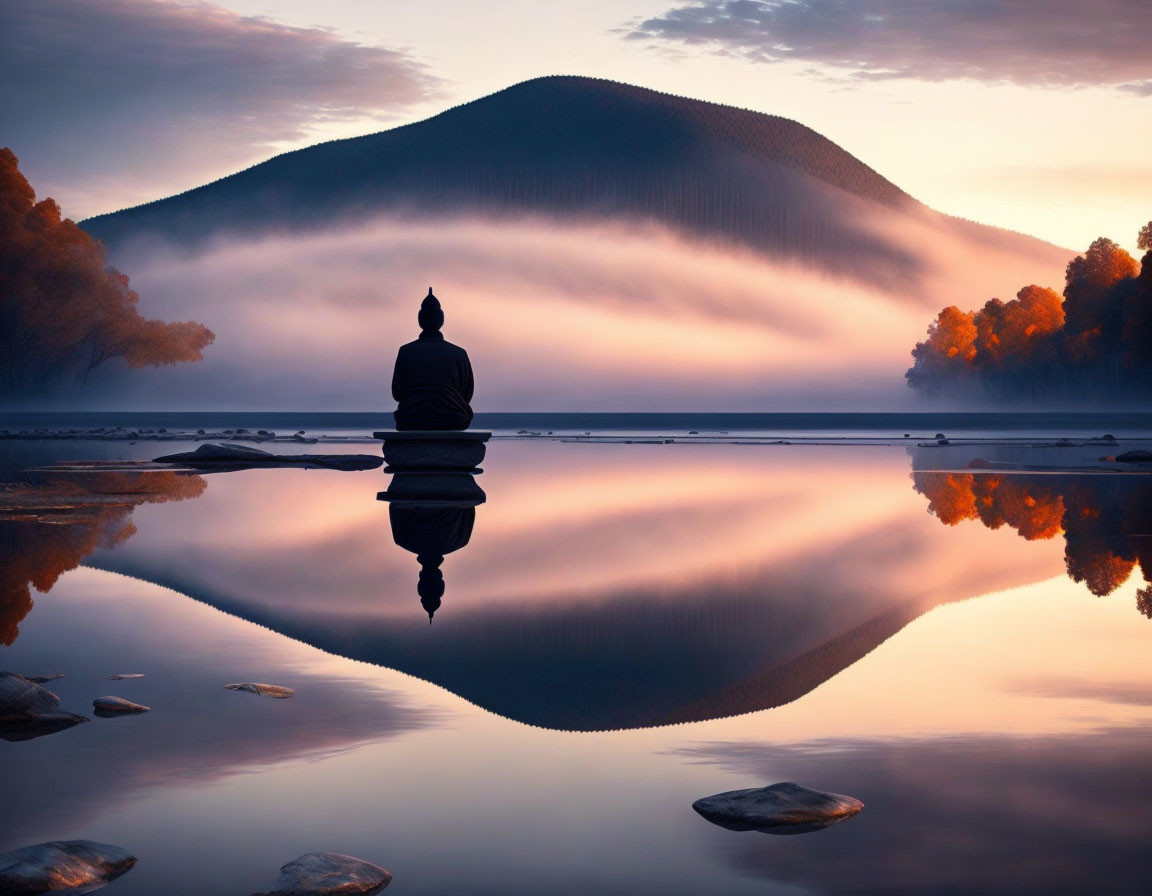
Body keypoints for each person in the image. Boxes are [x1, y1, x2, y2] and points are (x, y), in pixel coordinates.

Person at [391, 288, 475, 430]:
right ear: (441, 319)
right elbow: (466, 396)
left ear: (420, 319)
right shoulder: (458, 353)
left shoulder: (406, 351)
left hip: (411, 418)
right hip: (452, 419)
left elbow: (398, 393)